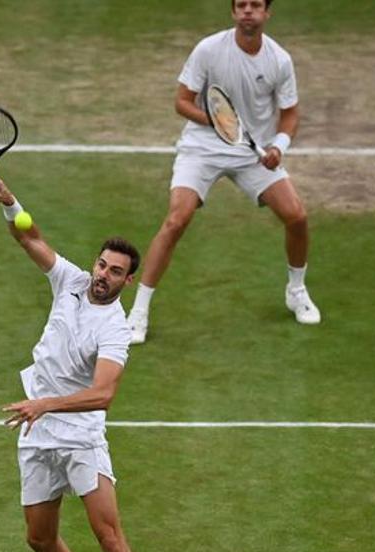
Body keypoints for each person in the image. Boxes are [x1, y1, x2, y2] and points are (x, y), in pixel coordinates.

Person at [0, 178, 166, 552]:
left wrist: (46, 403)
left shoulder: (115, 330)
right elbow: (29, 237)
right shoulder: (69, 281)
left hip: (80, 435)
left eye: (115, 272)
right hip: (38, 430)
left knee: (110, 539)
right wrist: (12, 205)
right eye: (101, 265)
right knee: (39, 539)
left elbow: (104, 394)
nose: (103, 275)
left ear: (129, 282)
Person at [127, 0, 320, 344]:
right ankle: (138, 312)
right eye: (241, 5)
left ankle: (296, 290)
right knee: (176, 220)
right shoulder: (209, 49)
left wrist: (278, 147)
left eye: (255, 5)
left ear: (266, 13)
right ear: (234, 12)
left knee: (297, 217)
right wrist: (217, 123)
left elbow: (290, 114)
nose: (248, 10)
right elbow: (181, 102)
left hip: (251, 152)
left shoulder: (279, 60)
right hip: (202, 147)